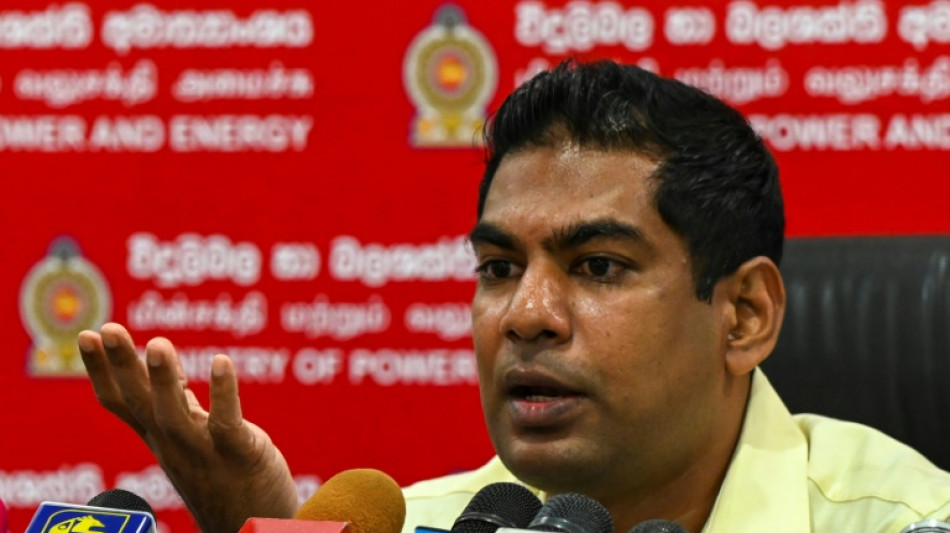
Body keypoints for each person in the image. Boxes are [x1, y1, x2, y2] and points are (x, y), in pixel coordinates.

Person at [77, 60, 950, 533]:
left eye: (597, 266)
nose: (527, 314)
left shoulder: (907, 522)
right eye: (498, 267)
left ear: (744, 314)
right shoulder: (418, 528)